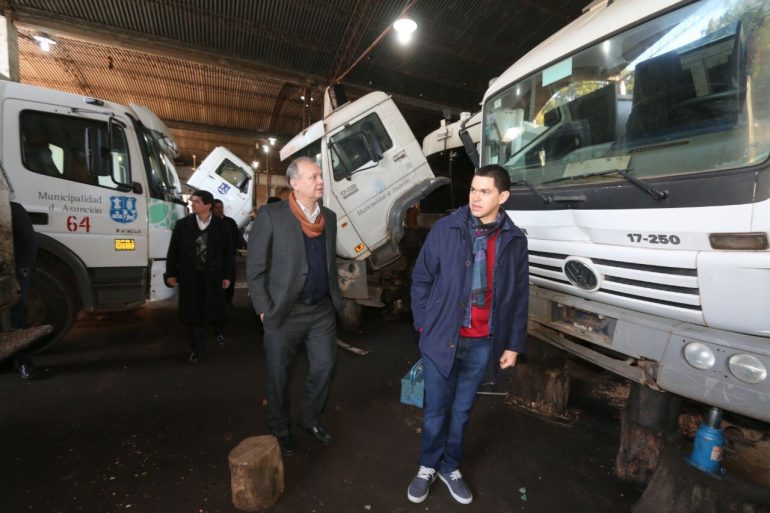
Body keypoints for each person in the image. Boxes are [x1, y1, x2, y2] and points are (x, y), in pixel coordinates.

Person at [407, 165, 529, 505]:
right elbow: (421, 280)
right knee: (436, 410)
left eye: (485, 191)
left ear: (503, 197)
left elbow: (519, 295)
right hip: (441, 338)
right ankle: (427, 466)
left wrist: (513, 344)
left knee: (461, 410)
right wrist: (424, 325)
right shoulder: (445, 229)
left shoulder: (514, 241)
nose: (475, 197)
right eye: (473, 189)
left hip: (482, 341)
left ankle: (450, 467)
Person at [246, 156, 342, 456]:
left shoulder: (328, 217)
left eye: (320, 176)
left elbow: (328, 261)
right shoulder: (271, 216)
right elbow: (255, 268)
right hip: (284, 312)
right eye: (313, 177)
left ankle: (309, 418)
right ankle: (279, 428)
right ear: (295, 183)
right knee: (279, 376)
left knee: (324, 367)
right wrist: (264, 309)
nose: (321, 181)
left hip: (321, 311)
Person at [165, 190, 234, 363]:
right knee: (192, 314)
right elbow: (173, 251)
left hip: (213, 278)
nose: (192, 204)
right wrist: (171, 273)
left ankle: (214, 334)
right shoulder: (183, 225)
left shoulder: (222, 227)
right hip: (190, 278)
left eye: (196, 202)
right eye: (192, 201)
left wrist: (227, 276)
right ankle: (198, 348)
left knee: (211, 310)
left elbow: (228, 254)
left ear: (208, 205)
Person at [10, 201, 40, 379]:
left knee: (16, 314)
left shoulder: (12, 209)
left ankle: (23, 362)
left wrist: (23, 270)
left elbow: (28, 242)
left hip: (10, 274)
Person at [212, 199, 245, 309]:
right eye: (216, 208)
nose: (219, 210)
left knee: (229, 279)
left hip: (228, 257)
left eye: (220, 207)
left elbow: (237, 236)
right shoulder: (209, 223)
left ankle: (228, 302)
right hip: (213, 258)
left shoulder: (230, 222)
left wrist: (237, 246)